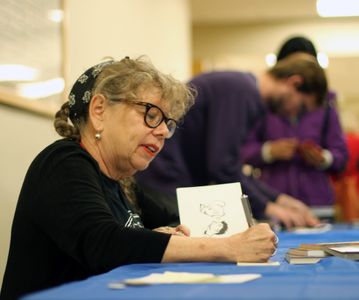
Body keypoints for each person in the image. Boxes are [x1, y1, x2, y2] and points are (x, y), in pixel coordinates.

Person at [0, 57, 277, 300]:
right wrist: (228, 247)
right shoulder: (62, 162)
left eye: (167, 123)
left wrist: (156, 234)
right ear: (99, 111)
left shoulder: (121, 181)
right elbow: (103, 243)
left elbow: (176, 215)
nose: (162, 133)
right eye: (151, 115)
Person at [135, 54, 320, 230]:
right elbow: (222, 167)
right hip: (164, 183)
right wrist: (267, 208)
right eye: (302, 107)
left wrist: (279, 199)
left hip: (168, 181)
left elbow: (231, 166)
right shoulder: (242, 92)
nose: (295, 114)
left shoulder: (243, 89)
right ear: (294, 82)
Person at [241, 53, 348, 210]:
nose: (294, 112)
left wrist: (323, 158)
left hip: (317, 200)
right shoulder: (266, 104)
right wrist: (269, 151)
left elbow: (341, 156)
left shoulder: (326, 108)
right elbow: (240, 152)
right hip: (273, 197)